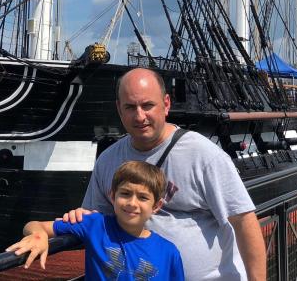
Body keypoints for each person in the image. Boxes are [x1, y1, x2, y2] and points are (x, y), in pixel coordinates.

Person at [64, 68, 266, 281]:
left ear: (166, 104)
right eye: (130, 107)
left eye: (147, 105)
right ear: (119, 109)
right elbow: (96, 220)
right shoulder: (108, 161)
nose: (140, 116)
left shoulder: (204, 156)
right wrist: (51, 231)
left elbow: (244, 222)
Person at [6, 161, 185, 280]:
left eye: (143, 198)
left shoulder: (169, 252)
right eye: (125, 194)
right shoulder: (95, 225)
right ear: (112, 196)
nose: (132, 203)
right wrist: (38, 236)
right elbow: (34, 225)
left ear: (156, 206)